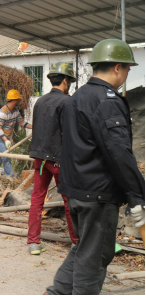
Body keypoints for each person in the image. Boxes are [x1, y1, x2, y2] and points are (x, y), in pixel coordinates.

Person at [47, 39, 145, 295]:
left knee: (85, 247)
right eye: (127, 69)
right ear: (117, 67)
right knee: (96, 256)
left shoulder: (75, 98)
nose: (126, 75)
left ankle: (57, 292)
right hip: (97, 193)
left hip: (76, 189)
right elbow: (119, 153)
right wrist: (138, 195)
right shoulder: (107, 100)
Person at [27, 62, 78, 255]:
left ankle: (33, 243)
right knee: (69, 200)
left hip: (40, 160)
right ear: (65, 80)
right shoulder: (66, 102)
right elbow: (69, 133)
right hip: (58, 160)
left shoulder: (40, 101)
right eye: (70, 81)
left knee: (37, 199)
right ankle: (76, 241)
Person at [0, 89, 33, 178]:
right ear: (14, 100)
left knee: (0, 157)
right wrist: (6, 140)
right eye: (18, 99)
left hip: (5, 137)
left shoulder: (16, 112)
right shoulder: (2, 113)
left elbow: (22, 123)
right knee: (6, 156)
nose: (19, 101)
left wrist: (34, 127)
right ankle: (11, 177)